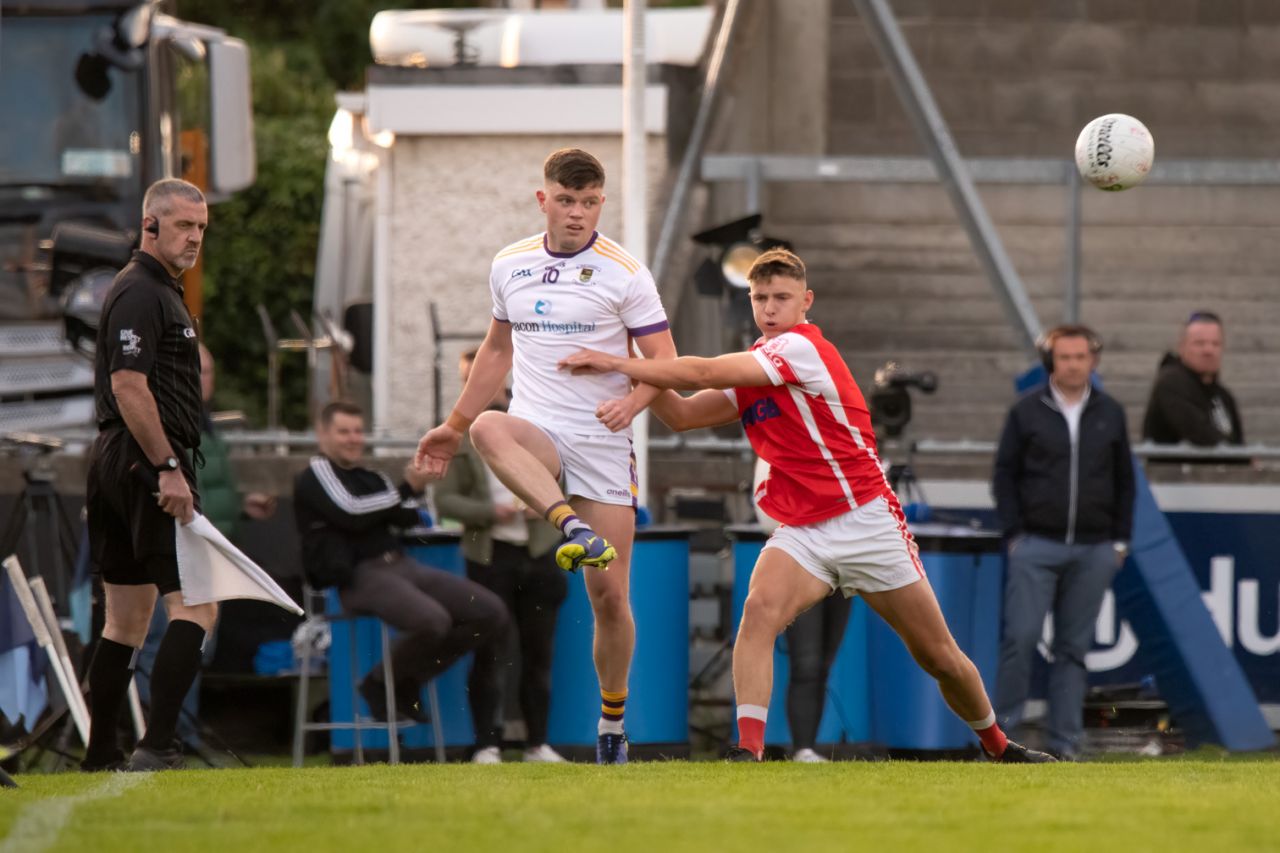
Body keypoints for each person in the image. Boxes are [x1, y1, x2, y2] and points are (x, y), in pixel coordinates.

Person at [560, 248, 1053, 763]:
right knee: (757, 613)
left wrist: (621, 361)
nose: (769, 308)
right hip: (804, 529)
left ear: (806, 301)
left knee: (939, 657)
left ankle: (1000, 746)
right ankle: (747, 751)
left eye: (781, 298)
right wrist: (639, 367)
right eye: (760, 298)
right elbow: (682, 416)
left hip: (864, 517)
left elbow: (701, 371)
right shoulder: (759, 361)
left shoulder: (800, 349)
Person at [415, 148, 677, 764]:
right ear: (543, 200)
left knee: (610, 597)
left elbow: (667, 365)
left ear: (601, 204)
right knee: (487, 428)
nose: (577, 213)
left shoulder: (626, 273)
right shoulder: (511, 264)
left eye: (589, 203)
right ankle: (571, 526)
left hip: (603, 444)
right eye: (566, 200)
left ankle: (612, 721)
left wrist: (632, 403)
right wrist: (450, 427)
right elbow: (497, 352)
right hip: (541, 432)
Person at [82, 178, 214, 772]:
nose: (194, 238)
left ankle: (99, 752)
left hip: (118, 458)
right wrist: (167, 468)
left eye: (202, 228)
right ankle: (158, 745)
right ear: (150, 225)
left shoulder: (157, 288)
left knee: (126, 620)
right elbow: (128, 385)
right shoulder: (141, 290)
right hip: (145, 462)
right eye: (184, 226)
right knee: (196, 607)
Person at [295, 401, 507, 725]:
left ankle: (406, 679)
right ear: (322, 434)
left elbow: (411, 517)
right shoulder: (315, 474)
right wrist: (407, 488)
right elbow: (350, 511)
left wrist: (418, 487)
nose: (353, 438)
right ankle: (379, 683)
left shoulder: (373, 477)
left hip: (401, 565)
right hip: (359, 575)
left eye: (357, 431)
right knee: (433, 621)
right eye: (343, 432)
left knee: (490, 612)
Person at [991, 325, 1135, 760]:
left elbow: (1124, 481)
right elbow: (1004, 475)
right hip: (1036, 545)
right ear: (1051, 360)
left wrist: (1119, 542)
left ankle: (1065, 744)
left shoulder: (1111, 412)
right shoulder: (1026, 411)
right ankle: (1001, 740)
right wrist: (1016, 534)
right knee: (1021, 637)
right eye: (1064, 357)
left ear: (1093, 360)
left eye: (1080, 357)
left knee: (1073, 649)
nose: (1072, 364)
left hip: (1094, 550)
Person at [135, 344, 275, 750]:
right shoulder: (162, 425)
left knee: (196, 647)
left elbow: (204, 492)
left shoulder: (204, 423)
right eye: (196, 371)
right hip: (176, 551)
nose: (203, 380)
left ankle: (182, 733)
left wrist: (242, 508)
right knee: (167, 643)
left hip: (208, 551)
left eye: (209, 371)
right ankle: (164, 733)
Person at [434, 349, 568, 764]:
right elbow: (445, 500)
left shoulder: (535, 423)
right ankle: (486, 744)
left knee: (539, 651)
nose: (475, 387)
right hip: (489, 556)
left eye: (481, 377)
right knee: (489, 651)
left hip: (540, 550)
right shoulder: (456, 434)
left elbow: (571, 473)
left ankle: (538, 743)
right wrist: (489, 513)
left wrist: (546, 504)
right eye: (467, 379)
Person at [755, 460, 852, 763]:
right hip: (800, 563)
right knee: (806, 661)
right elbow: (766, 515)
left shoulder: (847, 443)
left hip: (843, 563)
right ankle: (802, 748)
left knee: (823, 661)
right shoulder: (777, 446)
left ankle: (807, 747)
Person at [1142, 311, 1244, 447]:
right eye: (1199, 343)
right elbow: (1200, 435)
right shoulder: (1170, 384)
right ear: (1181, 347)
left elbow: (1238, 443)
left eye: (1216, 344)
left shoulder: (1223, 396)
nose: (1208, 350)